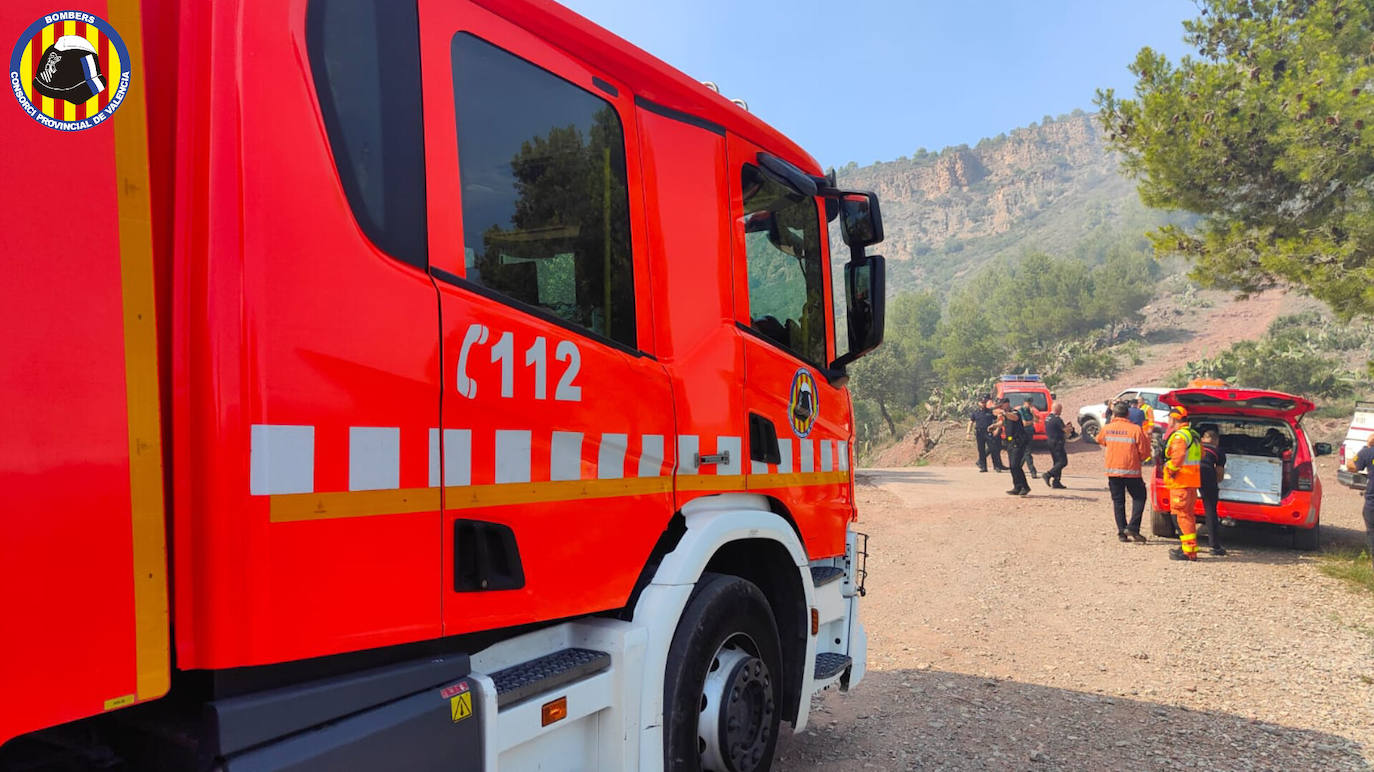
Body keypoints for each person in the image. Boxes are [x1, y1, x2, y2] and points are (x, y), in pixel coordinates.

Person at [1097, 401, 1152, 542]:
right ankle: (1133, 527)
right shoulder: (1135, 429)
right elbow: (1145, 453)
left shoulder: (1107, 428)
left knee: (1118, 502)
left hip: (1113, 472)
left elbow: (1100, 440)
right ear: (1128, 414)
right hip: (1132, 471)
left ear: (1114, 414)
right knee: (1139, 497)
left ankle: (1122, 533)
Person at [1163, 406, 1203, 561]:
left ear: (1174, 419)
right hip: (1191, 482)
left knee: (1183, 516)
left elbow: (1178, 458)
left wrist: (1171, 469)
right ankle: (1188, 548)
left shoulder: (1180, 437)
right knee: (1187, 516)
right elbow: (1202, 454)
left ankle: (1189, 552)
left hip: (1181, 482)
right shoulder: (1193, 435)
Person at [1346, 434, 1374, 571]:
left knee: (1372, 532)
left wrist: (1365, 447)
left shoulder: (1368, 452)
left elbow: (1352, 467)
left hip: (1372, 503)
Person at [1199, 428, 1227, 556]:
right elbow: (1220, 474)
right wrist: (1215, 485)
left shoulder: (1195, 446)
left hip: (1189, 473)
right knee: (1210, 509)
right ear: (1216, 441)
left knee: (1184, 509)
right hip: (1207, 473)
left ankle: (1186, 542)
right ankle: (1214, 546)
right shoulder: (1218, 451)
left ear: (1202, 439)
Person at [994, 407, 1031, 496]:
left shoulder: (1014, 412)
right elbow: (1003, 423)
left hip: (1018, 442)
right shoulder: (1006, 415)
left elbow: (1015, 417)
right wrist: (994, 426)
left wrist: (1003, 412)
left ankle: (1025, 487)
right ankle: (1017, 487)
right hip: (1010, 443)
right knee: (1012, 466)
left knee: (1015, 465)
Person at [966, 396, 998, 472]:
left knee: (993, 449)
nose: (983, 404)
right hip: (979, 432)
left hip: (988, 432)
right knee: (981, 450)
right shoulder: (975, 412)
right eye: (982, 402)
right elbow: (971, 422)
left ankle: (996, 466)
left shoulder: (990, 411)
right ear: (978, 403)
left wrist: (995, 428)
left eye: (984, 402)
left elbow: (996, 419)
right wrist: (968, 433)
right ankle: (983, 467)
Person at [1042, 402, 1069, 489]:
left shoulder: (1048, 418)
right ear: (1057, 410)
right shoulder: (1057, 419)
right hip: (1057, 442)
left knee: (1057, 462)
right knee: (1063, 462)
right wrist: (1069, 428)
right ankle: (1048, 474)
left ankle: (1056, 481)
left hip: (1050, 441)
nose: (1061, 411)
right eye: (1060, 410)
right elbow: (1065, 430)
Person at [1016, 396, 1041, 478]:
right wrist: (1032, 421)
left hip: (1030, 433)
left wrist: (1033, 414)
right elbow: (1024, 423)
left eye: (1030, 403)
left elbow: (1037, 420)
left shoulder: (1030, 411)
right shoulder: (1021, 411)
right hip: (1023, 433)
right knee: (1027, 452)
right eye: (1028, 403)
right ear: (1024, 402)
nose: (1029, 405)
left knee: (1025, 452)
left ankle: (1017, 467)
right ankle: (1033, 471)